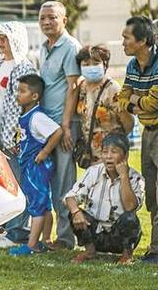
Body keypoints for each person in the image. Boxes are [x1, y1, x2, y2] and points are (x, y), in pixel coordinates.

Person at [0, 22, 37, 246]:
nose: (0, 42)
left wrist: (17, 135)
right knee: (6, 182)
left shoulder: (23, 67)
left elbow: (24, 104)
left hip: (15, 135)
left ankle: (18, 232)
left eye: (5, 38)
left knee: (19, 182)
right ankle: (10, 228)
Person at [38, 1, 82, 251]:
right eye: (42, 18)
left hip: (64, 124)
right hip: (48, 126)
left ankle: (67, 239)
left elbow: (72, 88)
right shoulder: (45, 47)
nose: (46, 22)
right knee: (53, 182)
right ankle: (61, 237)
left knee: (65, 183)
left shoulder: (70, 46)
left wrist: (65, 126)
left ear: (64, 20)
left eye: (52, 17)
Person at [64, 133, 144, 265]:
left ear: (125, 156)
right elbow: (70, 196)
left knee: (130, 218)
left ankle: (126, 255)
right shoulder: (93, 171)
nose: (108, 156)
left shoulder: (136, 178)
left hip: (119, 237)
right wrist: (75, 212)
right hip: (96, 232)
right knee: (74, 213)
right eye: (105, 152)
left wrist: (123, 176)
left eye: (114, 152)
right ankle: (90, 251)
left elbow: (131, 207)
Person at [118, 15, 158, 264]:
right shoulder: (133, 65)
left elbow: (153, 102)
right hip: (147, 133)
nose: (122, 42)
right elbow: (123, 97)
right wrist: (136, 103)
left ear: (142, 40)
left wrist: (135, 102)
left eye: (126, 37)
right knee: (152, 193)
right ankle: (155, 248)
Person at [8, 75, 62, 256]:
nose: (18, 95)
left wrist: (45, 152)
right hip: (29, 165)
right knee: (44, 204)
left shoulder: (37, 116)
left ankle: (31, 245)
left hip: (35, 167)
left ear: (35, 96)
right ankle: (45, 240)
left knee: (37, 205)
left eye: (22, 91)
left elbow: (57, 131)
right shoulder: (26, 115)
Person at [74, 44, 134, 168]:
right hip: (90, 155)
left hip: (110, 154)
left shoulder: (112, 89)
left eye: (96, 63)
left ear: (105, 65)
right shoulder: (82, 88)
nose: (91, 67)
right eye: (86, 64)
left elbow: (129, 123)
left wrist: (116, 142)